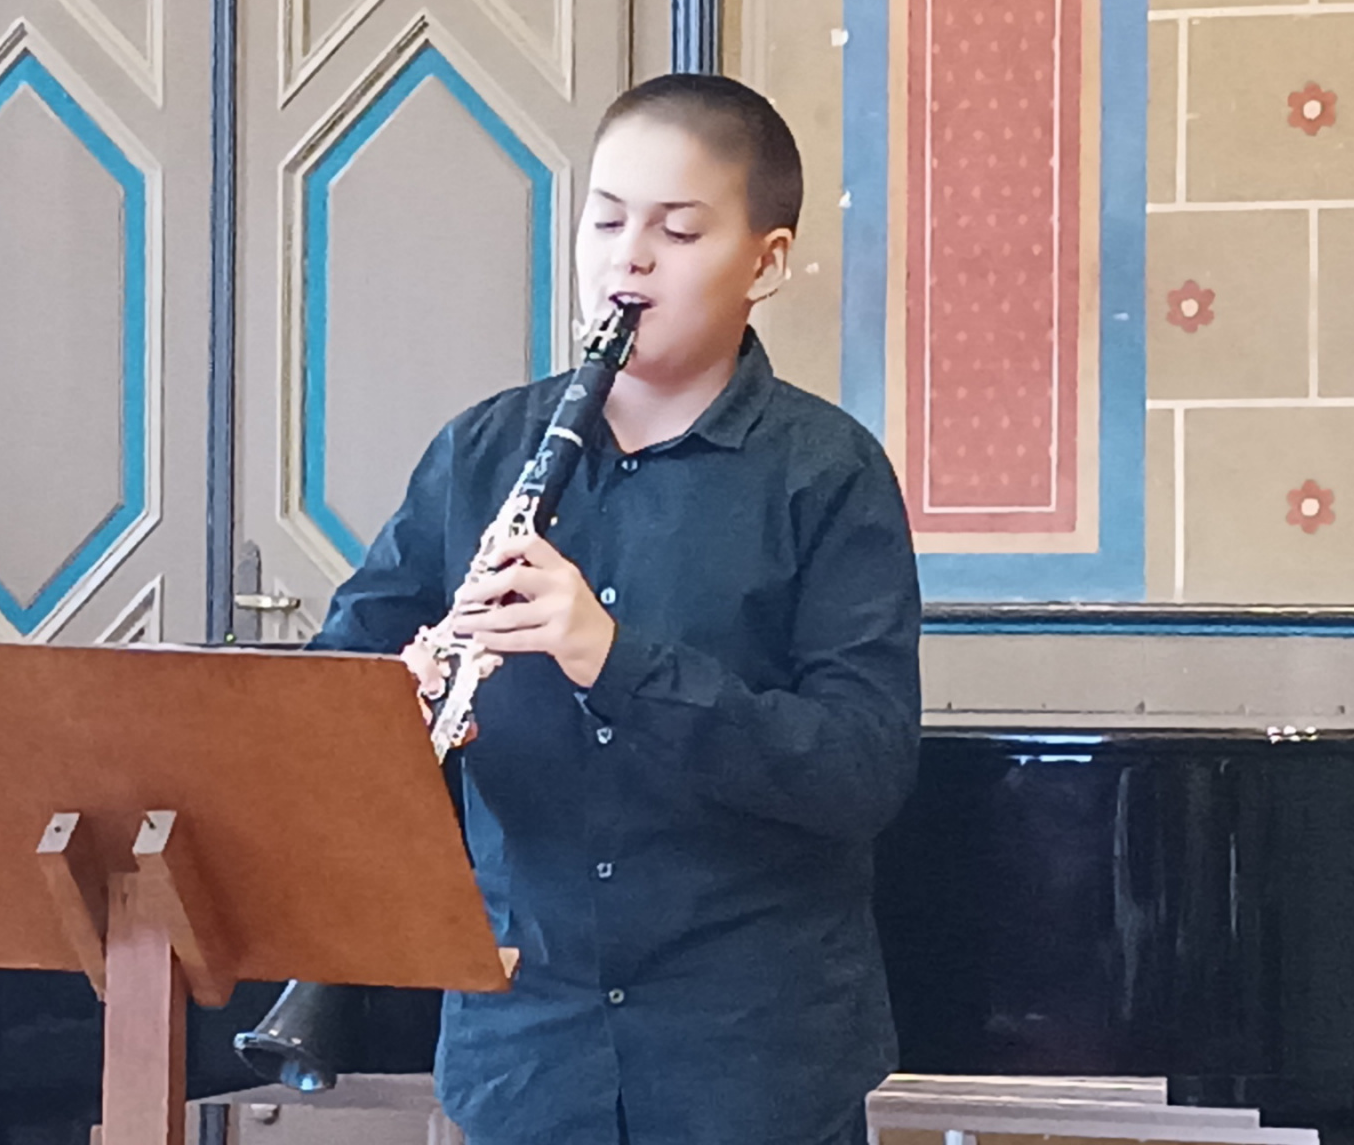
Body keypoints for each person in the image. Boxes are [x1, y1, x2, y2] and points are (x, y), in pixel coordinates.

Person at [310, 73, 921, 1145]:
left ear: (765, 262)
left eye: (676, 231)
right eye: (604, 221)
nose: (627, 259)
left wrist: (613, 659)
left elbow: (859, 769)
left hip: (752, 1063)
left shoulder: (828, 473)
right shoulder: (480, 453)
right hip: (524, 1054)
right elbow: (326, 695)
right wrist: (386, 703)